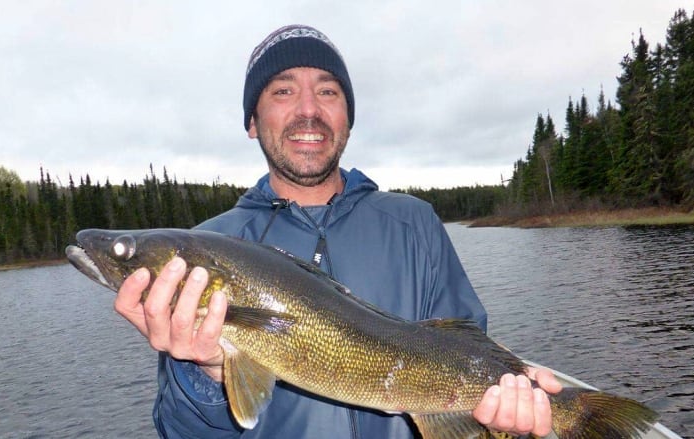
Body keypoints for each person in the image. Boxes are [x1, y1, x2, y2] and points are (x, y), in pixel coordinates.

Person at [114, 24, 562, 438]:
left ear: (348, 116)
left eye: (327, 91)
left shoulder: (415, 223)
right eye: (283, 90)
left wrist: (505, 418)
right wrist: (204, 373)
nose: (308, 110)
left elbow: (466, 352)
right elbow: (183, 433)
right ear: (252, 122)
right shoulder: (208, 249)